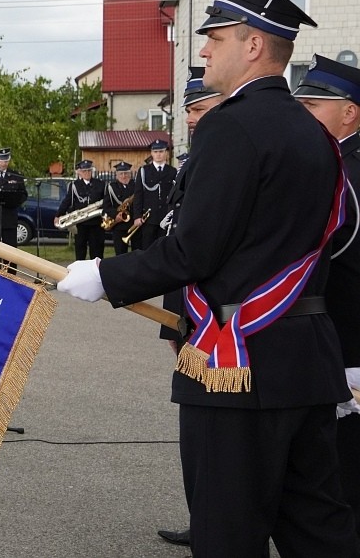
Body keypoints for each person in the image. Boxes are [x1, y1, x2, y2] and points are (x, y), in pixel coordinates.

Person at [59, 0, 357, 555]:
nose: (202, 49)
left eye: (215, 38)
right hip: (310, 359)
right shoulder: (316, 135)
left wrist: (104, 275)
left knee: (227, 534)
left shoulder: (230, 126)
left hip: (237, 363)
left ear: (252, 46)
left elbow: (195, 250)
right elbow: (336, 237)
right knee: (319, 531)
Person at [154, 67, 224, 548]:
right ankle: (204, 520)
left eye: (199, 109)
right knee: (194, 431)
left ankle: (219, 525)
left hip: (222, 326)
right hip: (187, 312)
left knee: (217, 433)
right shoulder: (198, 159)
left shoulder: (228, 158)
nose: (193, 120)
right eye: (189, 112)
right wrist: (172, 324)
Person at [295, 54, 360, 540]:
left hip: (349, 340)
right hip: (335, 338)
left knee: (344, 472)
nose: (305, 114)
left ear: (349, 112)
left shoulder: (347, 172)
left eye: (315, 105)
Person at [128, 139, 176, 251]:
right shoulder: (144, 171)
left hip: (165, 217)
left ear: (166, 153)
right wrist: (137, 216)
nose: (158, 154)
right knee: (147, 248)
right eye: (155, 152)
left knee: (164, 248)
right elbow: (138, 195)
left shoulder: (172, 171)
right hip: (148, 218)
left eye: (161, 151)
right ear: (151, 153)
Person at [55, 159, 105, 260]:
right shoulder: (74, 185)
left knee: (96, 251)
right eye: (84, 171)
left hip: (96, 223)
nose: (87, 173)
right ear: (80, 172)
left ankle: (96, 273)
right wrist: (58, 215)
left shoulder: (100, 184)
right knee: (80, 250)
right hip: (81, 224)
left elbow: (106, 201)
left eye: (89, 171)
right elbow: (67, 201)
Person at [102, 162, 135, 255]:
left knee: (137, 252)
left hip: (134, 224)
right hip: (119, 225)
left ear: (130, 174)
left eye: (126, 173)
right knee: (120, 253)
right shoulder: (111, 187)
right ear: (116, 175)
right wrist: (115, 215)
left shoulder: (136, 186)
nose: (124, 176)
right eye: (121, 174)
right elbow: (106, 207)